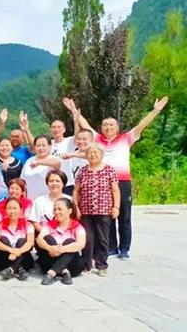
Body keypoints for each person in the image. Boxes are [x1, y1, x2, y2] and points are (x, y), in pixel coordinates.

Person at [70, 96, 168, 258]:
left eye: (111, 125)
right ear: (101, 127)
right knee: (107, 216)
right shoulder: (97, 139)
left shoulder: (126, 138)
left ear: (117, 127)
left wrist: (155, 111)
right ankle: (111, 247)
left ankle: (124, 248)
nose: (108, 127)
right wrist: (74, 111)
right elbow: (84, 124)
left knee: (124, 215)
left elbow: (141, 125)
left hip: (122, 182)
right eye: (105, 124)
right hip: (102, 183)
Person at [73, 143, 120, 276]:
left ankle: (102, 264)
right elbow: (76, 190)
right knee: (87, 238)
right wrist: (76, 206)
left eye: (96, 153)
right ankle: (87, 264)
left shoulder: (109, 170)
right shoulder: (82, 171)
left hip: (104, 209)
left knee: (103, 238)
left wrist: (116, 207)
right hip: (85, 210)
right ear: (86, 156)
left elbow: (115, 190)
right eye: (90, 153)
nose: (93, 155)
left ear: (101, 154)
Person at [36, 198, 86, 285]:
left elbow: (81, 244)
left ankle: (52, 272)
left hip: (72, 267)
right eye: (55, 209)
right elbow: (39, 239)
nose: (56, 212)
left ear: (69, 211)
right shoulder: (49, 225)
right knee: (48, 239)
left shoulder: (77, 226)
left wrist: (62, 249)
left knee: (70, 241)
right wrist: (50, 248)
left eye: (60, 209)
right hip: (49, 261)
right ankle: (64, 272)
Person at [0, 197, 34, 281]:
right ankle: (20, 269)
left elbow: (30, 242)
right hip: (5, 258)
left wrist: (18, 252)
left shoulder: (27, 224)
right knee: (3, 239)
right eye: (9, 208)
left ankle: (11, 269)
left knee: (21, 241)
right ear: (5, 210)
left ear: (21, 210)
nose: (12, 211)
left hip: (23, 257)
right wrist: (11, 250)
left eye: (15, 208)